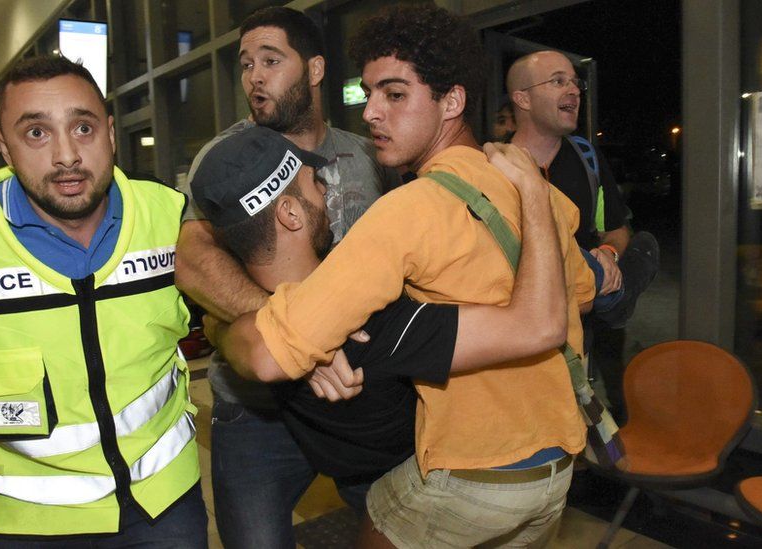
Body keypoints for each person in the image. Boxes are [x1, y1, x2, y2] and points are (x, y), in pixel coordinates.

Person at [215, 5, 598, 547]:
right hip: (555, 469)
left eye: (394, 95)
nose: (371, 112)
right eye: (369, 93)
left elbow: (266, 356)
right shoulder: (531, 188)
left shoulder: (408, 211)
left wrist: (223, 329)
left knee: (377, 518)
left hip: (473, 471)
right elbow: (580, 297)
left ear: (452, 102)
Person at [191, 124, 571, 543]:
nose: (326, 191)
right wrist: (534, 192)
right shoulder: (375, 322)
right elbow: (535, 325)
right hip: (397, 472)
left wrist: (226, 327)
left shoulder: (242, 315)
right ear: (290, 214)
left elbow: (244, 339)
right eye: (314, 183)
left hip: (338, 462)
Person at [0, 56, 205, 546]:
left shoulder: (168, 215)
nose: (67, 155)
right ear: (4, 146)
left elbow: (240, 307)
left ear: (110, 132)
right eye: (36, 133)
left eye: (83, 128)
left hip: (164, 505)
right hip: (25, 523)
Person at [173, 7, 399, 547]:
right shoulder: (227, 157)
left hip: (356, 394)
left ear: (315, 69)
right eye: (246, 63)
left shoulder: (366, 155)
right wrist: (299, 337)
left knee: (402, 530)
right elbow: (191, 259)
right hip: (257, 409)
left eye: (271, 60)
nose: (255, 76)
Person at [508, 50, 660, 419]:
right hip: (524, 339)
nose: (574, 90)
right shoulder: (493, 167)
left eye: (575, 82)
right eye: (558, 81)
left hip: (581, 338)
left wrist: (608, 253)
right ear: (523, 98)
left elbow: (616, 230)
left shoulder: (587, 158)